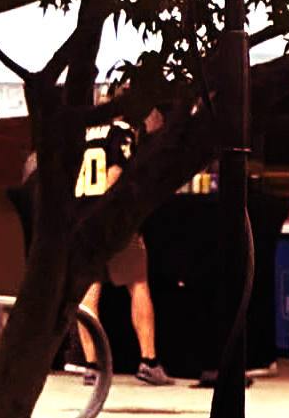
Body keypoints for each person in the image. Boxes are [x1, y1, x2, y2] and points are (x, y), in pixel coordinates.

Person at [75, 114, 174, 387]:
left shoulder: (82, 131)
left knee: (88, 288)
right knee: (137, 282)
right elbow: (116, 172)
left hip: (82, 214)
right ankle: (149, 360)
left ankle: (91, 364)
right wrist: (107, 211)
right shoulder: (121, 132)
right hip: (113, 218)